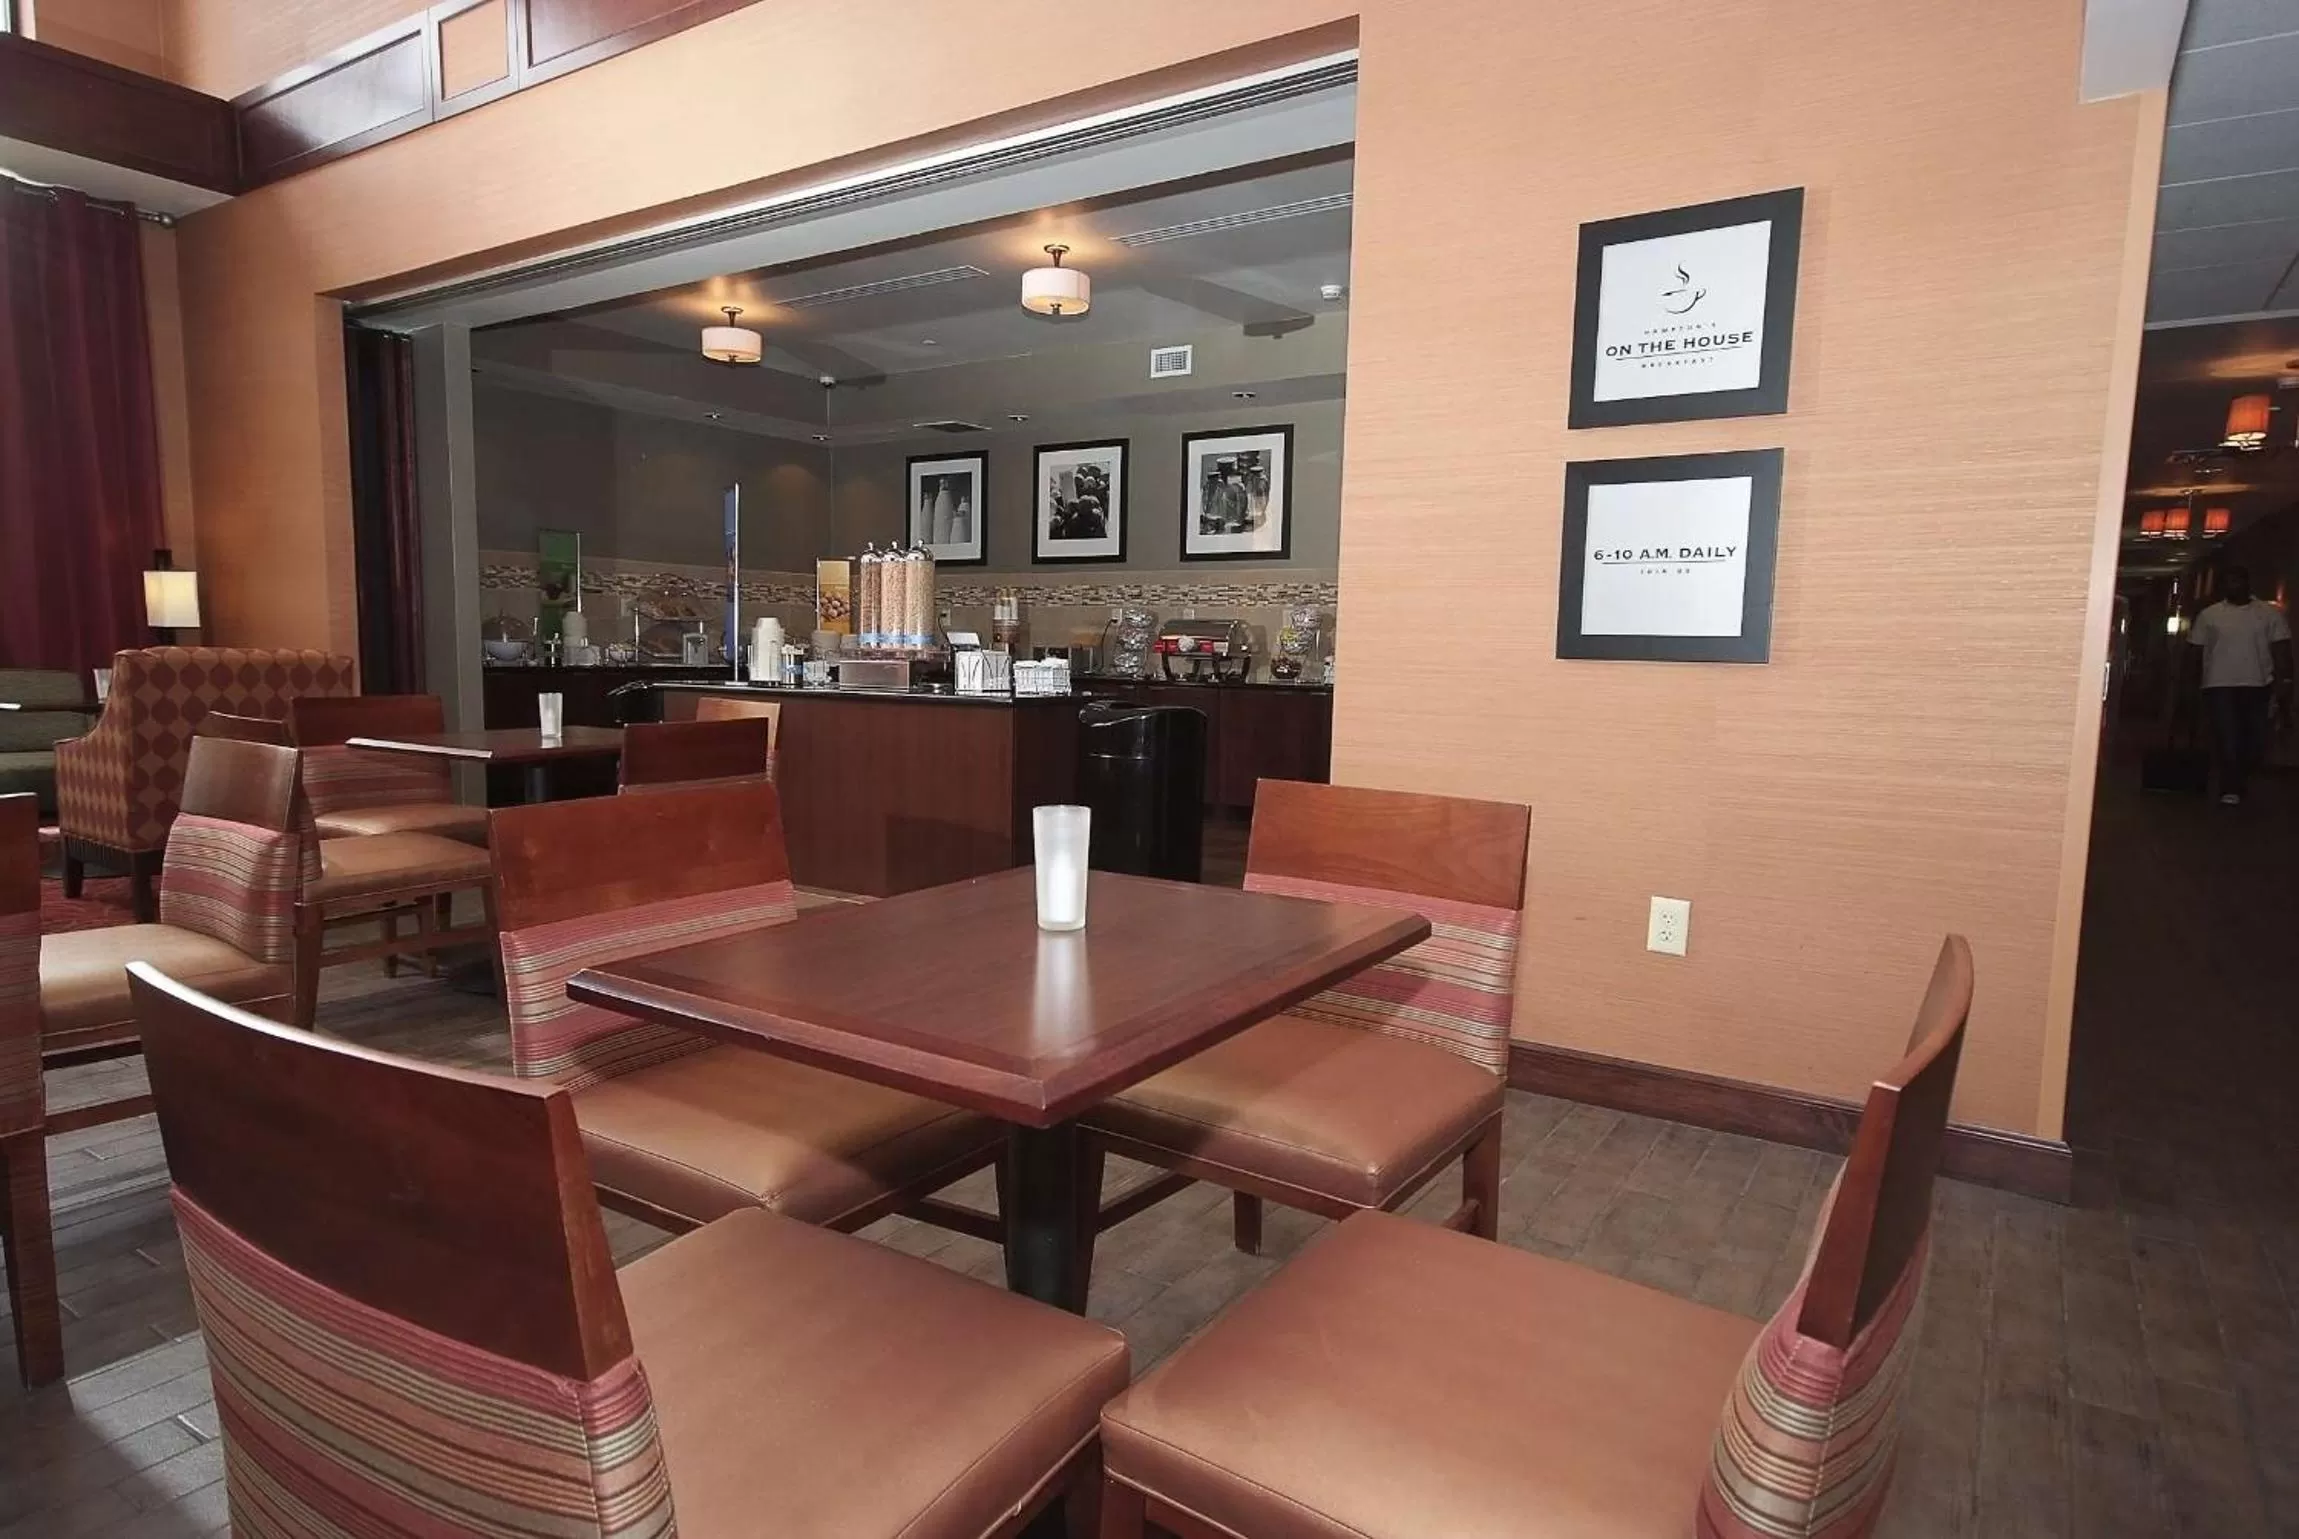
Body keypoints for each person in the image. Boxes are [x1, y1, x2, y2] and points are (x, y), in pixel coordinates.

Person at [2185, 565, 2293, 805]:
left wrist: (2285, 680)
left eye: (2236, 581)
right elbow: (2195, 651)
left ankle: (2239, 775)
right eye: (2227, 582)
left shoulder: (2268, 614)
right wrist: (2190, 684)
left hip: (2257, 683)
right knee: (2228, 735)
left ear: (2246, 583)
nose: (2232, 586)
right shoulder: (2210, 615)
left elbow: (2281, 648)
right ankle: (2230, 785)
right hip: (2218, 683)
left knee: (2255, 737)